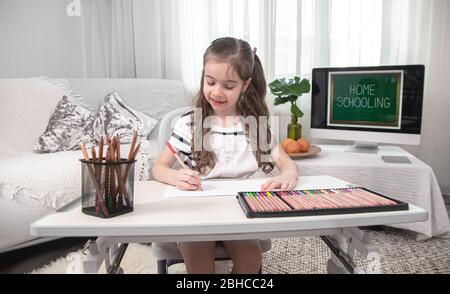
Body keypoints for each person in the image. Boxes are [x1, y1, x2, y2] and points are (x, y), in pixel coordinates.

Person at [152, 37, 299, 274]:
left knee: (251, 260)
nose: (217, 92)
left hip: (240, 214)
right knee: (199, 265)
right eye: (210, 82)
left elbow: (288, 165)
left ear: (246, 84)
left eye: (229, 86)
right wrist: (174, 177)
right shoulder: (189, 124)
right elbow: (159, 167)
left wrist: (288, 174)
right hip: (195, 213)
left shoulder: (255, 126)